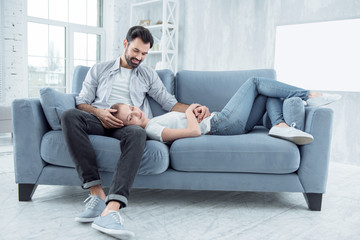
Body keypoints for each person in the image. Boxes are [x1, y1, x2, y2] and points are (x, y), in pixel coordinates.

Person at [60, 26, 210, 239]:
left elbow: (168, 102)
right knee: (68, 115)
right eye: (136, 51)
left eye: (145, 54)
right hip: (99, 119)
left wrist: (193, 108)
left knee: (139, 134)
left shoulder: (147, 74)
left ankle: (111, 209)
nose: (140, 57)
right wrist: (99, 113)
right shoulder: (99, 69)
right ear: (125, 44)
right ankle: (96, 194)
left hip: (129, 126)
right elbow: (81, 102)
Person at [110, 77, 341, 145]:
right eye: (129, 118)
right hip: (221, 125)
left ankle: (280, 126)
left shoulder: (155, 120)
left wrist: (198, 110)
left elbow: (190, 121)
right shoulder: (151, 130)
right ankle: (309, 94)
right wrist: (191, 112)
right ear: (126, 126)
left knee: (265, 93)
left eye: (131, 108)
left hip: (218, 121)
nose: (135, 113)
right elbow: (193, 132)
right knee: (254, 82)